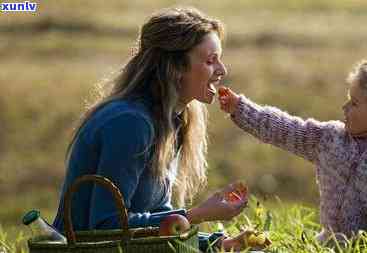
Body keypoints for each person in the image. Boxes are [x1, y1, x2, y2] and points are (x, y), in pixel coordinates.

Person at [52, 7, 263, 252]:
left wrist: (217, 245)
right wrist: (196, 214)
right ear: (175, 68)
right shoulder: (131, 124)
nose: (222, 70)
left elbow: (153, 217)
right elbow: (104, 227)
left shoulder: (172, 120)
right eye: (210, 60)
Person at [218, 53, 367, 244]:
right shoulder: (330, 139)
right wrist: (240, 108)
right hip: (329, 243)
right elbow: (285, 129)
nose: (345, 106)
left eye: (354, 103)